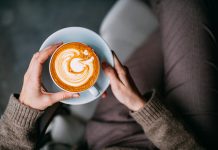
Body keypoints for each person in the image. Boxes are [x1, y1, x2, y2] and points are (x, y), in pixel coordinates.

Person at [0, 43, 202, 150]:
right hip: (184, 138)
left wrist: (25, 111)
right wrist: (146, 110)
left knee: (158, 40)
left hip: (106, 133)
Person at [85, 0, 218, 149]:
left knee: (176, 27)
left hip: (110, 133)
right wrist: (140, 106)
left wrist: (53, 103)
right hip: (186, 139)